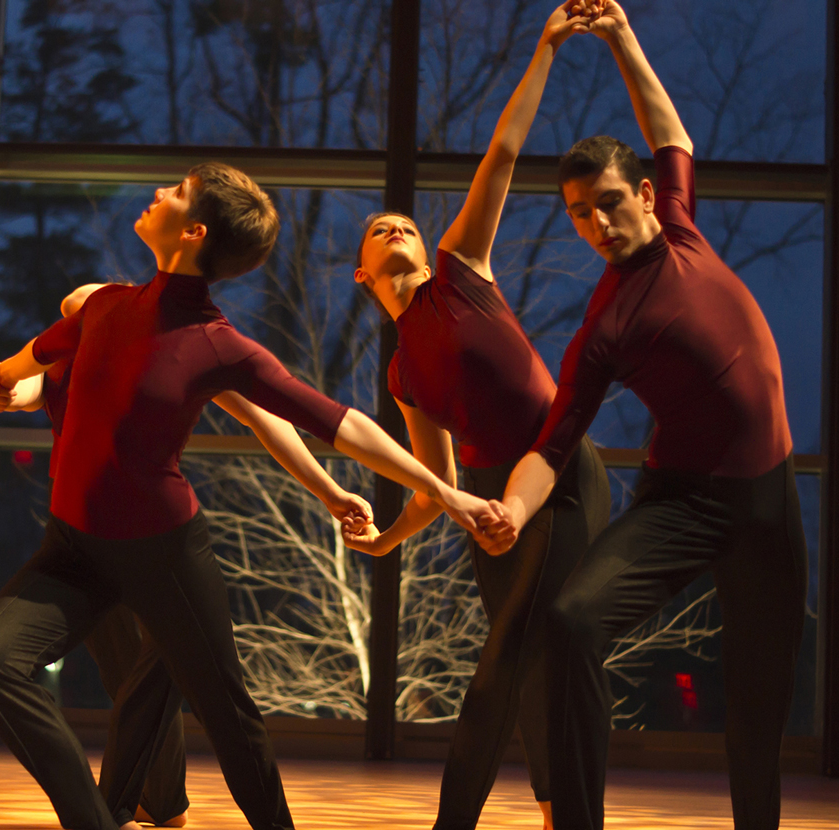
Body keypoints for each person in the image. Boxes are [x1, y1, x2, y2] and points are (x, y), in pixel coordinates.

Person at [0, 161, 506, 830]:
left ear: (191, 232)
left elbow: (339, 423)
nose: (159, 190)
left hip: (164, 556)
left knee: (229, 719)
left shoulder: (217, 344)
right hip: (73, 545)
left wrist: (444, 494)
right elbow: (27, 366)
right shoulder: (102, 305)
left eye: (177, 191)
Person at [483, 4, 809, 828]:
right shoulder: (604, 328)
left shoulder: (685, 230)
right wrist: (512, 511)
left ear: (649, 199)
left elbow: (671, 133)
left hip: (769, 504)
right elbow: (554, 442)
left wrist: (624, 40)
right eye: (578, 214)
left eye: (609, 203)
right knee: (570, 618)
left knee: (760, 707)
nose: (597, 224)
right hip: (683, 504)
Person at [0, 281, 377, 829]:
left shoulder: (163, 341)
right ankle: (145, 807)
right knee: (124, 674)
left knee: (174, 674)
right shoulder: (65, 351)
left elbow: (265, 416)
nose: (85, 299)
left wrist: (329, 491)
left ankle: (158, 805)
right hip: (83, 541)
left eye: (100, 293)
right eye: (78, 300)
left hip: (156, 539)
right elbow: (19, 385)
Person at [342, 5, 610, 829]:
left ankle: (455, 817)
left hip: (556, 477)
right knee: (534, 663)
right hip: (487, 506)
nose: (393, 224)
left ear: (428, 250)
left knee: (506, 660)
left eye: (405, 223)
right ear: (363, 278)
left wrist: (545, 47)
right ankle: (560, 805)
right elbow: (434, 485)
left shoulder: (461, 270)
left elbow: (502, 149)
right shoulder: (398, 372)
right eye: (377, 230)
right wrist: (385, 542)